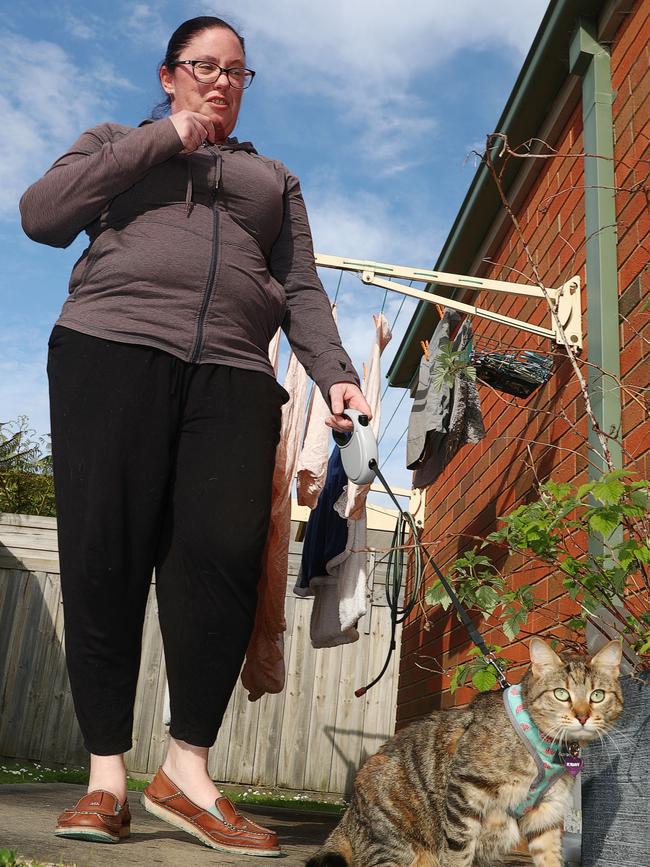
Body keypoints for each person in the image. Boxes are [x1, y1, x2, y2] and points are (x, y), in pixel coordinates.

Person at [20, 15, 370, 858]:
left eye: (236, 71)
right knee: (105, 553)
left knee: (220, 560)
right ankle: (106, 781)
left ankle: (188, 770)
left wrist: (336, 370)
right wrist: (164, 140)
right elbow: (42, 215)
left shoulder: (272, 178)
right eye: (202, 67)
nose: (220, 80)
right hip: (111, 348)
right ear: (169, 74)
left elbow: (299, 286)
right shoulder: (114, 141)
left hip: (235, 376)